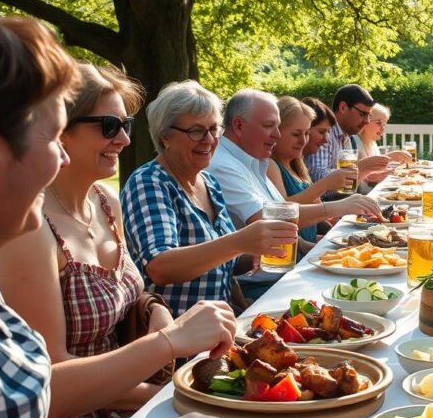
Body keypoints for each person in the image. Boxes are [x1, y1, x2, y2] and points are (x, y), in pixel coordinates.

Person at [0, 7, 238, 418]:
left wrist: (152, 311)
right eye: (52, 139)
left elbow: (32, 390)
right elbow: (51, 392)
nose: (59, 159)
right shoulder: (24, 242)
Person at [120, 82, 299, 315]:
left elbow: (223, 265)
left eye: (214, 129)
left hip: (221, 325)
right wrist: (239, 242)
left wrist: (255, 252)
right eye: (196, 130)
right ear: (166, 137)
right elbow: (160, 266)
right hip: (177, 336)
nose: (209, 139)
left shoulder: (208, 182)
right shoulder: (149, 182)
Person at [206, 88, 379, 229]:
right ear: (238, 125)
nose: (277, 135)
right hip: (270, 270)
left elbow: (281, 209)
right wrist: (337, 206)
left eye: (278, 126)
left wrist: (308, 246)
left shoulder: (252, 159)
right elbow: (268, 219)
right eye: (269, 126)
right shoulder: (223, 164)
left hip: (282, 265)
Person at [268, 96, 356, 246]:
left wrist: (333, 234)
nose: (303, 141)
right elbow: (282, 211)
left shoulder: (298, 163)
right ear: (276, 132)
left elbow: (316, 213)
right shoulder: (271, 165)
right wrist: (323, 185)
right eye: (296, 134)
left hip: (306, 248)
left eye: (307, 133)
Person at [303, 84, 391, 193]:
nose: (367, 121)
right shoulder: (325, 135)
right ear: (343, 107)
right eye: (363, 114)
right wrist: (359, 168)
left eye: (368, 115)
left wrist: (364, 173)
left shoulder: (347, 136)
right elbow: (315, 176)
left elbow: (348, 188)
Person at [355, 103, 413, 189]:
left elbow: (376, 174)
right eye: (378, 123)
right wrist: (390, 157)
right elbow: (364, 181)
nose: (383, 128)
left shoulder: (371, 142)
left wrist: (392, 166)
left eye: (384, 124)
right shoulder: (355, 142)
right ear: (365, 121)